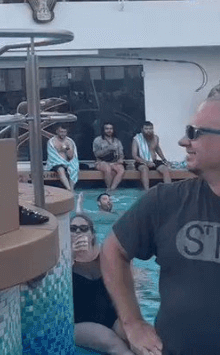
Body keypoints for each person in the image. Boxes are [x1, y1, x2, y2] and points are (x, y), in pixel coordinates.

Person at [101, 98, 220, 354]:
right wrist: (132, 322)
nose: (183, 141)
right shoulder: (165, 201)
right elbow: (113, 250)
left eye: (194, 133)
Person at [70, 213, 133, 355]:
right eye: (73, 229)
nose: (78, 232)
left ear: (92, 235)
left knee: (135, 337)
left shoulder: (104, 258)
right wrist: (71, 255)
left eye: (83, 228)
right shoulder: (62, 262)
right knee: (113, 342)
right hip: (80, 323)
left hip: (111, 317)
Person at [130, 121, 172, 190]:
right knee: (144, 169)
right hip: (142, 162)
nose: (148, 131)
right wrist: (146, 162)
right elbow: (134, 155)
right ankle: (147, 190)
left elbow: (157, 149)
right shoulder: (137, 139)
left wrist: (164, 160)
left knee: (165, 169)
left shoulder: (155, 138)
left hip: (154, 161)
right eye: (146, 129)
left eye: (150, 129)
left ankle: (169, 189)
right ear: (142, 129)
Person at [94, 122, 125, 192]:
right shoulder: (98, 140)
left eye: (111, 129)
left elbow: (121, 153)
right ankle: (108, 187)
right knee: (107, 169)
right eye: (107, 129)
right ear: (103, 130)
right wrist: (108, 149)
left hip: (114, 162)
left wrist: (120, 159)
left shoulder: (117, 141)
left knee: (121, 170)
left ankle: (112, 189)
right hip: (101, 162)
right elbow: (96, 154)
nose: (109, 130)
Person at [47, 124, 79, 192]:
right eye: (61, 132)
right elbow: (52, 155)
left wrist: (66, 148)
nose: (63, 134)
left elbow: (71, 156)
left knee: (73, 169)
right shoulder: (52, 141)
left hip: (68, 162)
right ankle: (68, 189)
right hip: (56, 162)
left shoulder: (69, 141)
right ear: (57, 131)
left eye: (64, 132)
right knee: (61, 170)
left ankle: (72, 189)